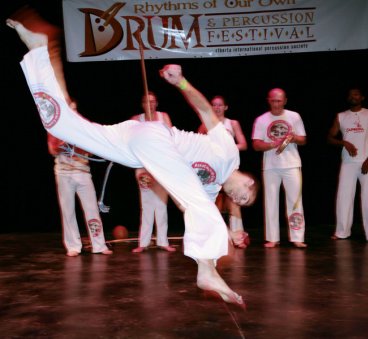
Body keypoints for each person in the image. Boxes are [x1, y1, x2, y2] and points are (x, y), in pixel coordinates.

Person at [7, 19, 258, 306]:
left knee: (63, 126)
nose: (240, 198)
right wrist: (182, 82)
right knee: (200, 207)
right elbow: (206, 111)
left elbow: (188, 204)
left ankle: (37, 52)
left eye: (242, 202)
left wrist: (222, 228)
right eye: (247, 195)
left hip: (133, 146)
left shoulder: (209, 189)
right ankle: (206, 271)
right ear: (249, 180)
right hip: (155, 137)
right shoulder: (229, 153)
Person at [252, 88, 307, 248]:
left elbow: (303, 140)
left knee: (295, 201)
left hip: (292, 165)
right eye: (273, 100)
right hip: (270, 166)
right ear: (268, 100)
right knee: (270, 201)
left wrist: (293, 138)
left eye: (279, 101)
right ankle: (272, 238)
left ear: (285, 101)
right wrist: (271, 144)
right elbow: (255, 144)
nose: (276, 104)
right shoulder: (261, 119)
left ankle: (297, 237)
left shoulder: (294, 116)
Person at [327, 87, 368, 244]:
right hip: (348, 163)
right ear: (348, 98)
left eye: (357, 94)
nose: (354, 97)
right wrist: (343, 142)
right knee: (344, 197)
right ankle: (342, 231)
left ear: (362, 97)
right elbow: (330, 137)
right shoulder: (341, 116)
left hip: (367, 161)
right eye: (351, 95)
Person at [48, 122, 113, 257]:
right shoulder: (54, 127)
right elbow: (52, 150)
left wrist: (79, 148)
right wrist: (63, 146)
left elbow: (90, 149)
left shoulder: (82, 126)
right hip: (63, 173)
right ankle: (73, 246)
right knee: (68, 211)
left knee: (92, 210)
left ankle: (99, 245)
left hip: (82, 172)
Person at [198, 96, 249, 247]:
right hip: (213, 169)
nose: (217, 107)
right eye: (214, 105)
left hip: (230, 169)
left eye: (220, 105)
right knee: (213, 203)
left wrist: (227, 147)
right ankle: (218, 238)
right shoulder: (204, 125)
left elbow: (244, 144)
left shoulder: (232, 123)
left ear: (225, 107)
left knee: (235, 202)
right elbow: (198, 146)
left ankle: (239, 237)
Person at [131, 92, 176, 253]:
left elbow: (172, 137)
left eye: (152, 101)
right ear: (142, 104)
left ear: (156, 103)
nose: (149, 104)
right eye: (146, 102)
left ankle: (162, 241)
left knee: (161, 203)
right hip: (144, 166)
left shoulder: (164, 116)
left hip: (161, 164)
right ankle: (144, 242)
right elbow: (130, 138)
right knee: (147, 203)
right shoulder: (137, 119)